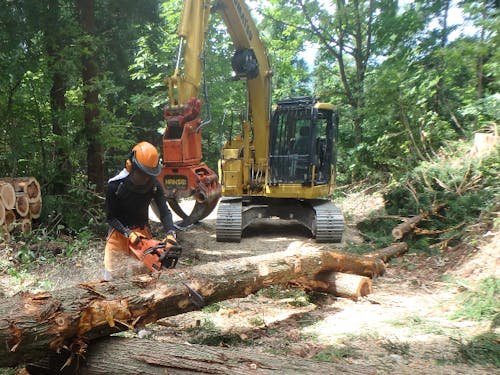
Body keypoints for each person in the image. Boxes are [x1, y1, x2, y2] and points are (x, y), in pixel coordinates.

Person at [103, 141, 177, 280]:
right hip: (118, 235)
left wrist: (171, 233)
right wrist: (127, 233)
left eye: (149, 175)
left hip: (142, 235)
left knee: (145, 277)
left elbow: (164, 212)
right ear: (131, 166)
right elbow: (111, 217)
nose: (146, 179)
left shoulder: (154, 185)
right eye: (143, 174)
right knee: (111, 278)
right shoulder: (115, 186)